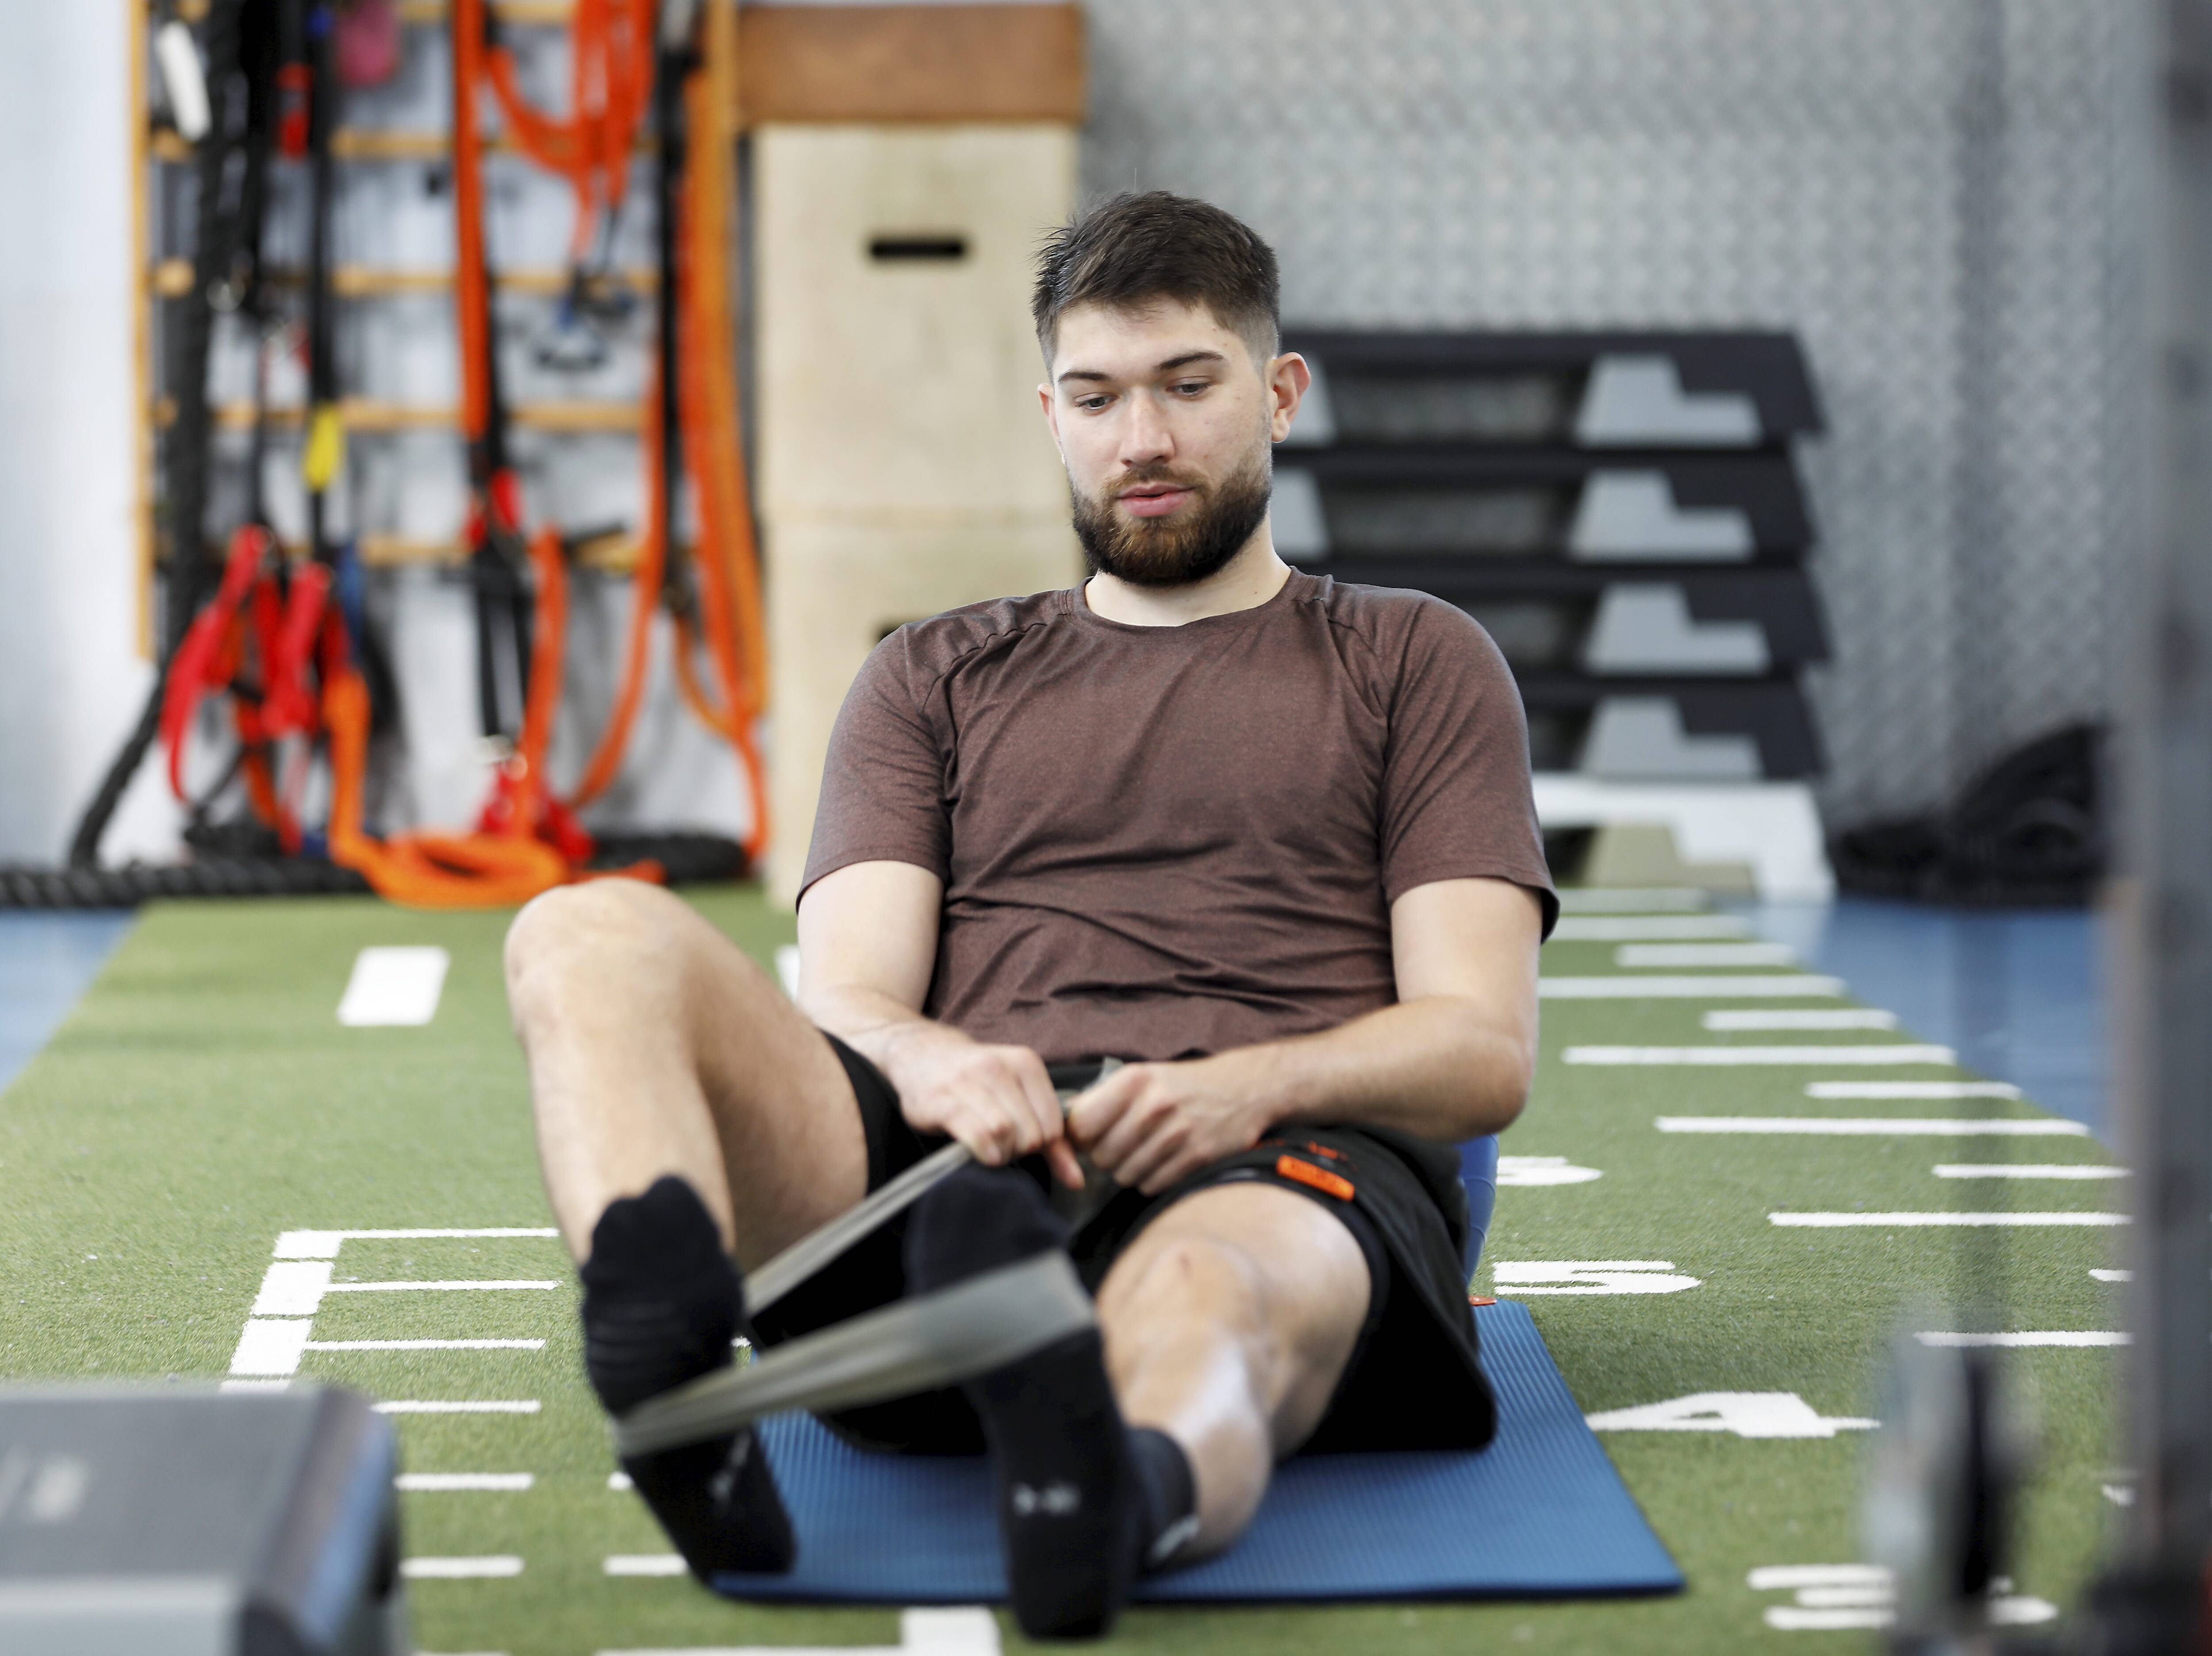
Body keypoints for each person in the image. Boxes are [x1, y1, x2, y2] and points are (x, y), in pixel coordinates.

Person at [505, 190, 1555, 1640]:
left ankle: (1103, 1490)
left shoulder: (1412, 658)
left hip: (1273, 1151)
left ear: (1279, 392)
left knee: (1203, 1285)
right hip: (960, 1174)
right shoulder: (932, 675)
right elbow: (854, 993)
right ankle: (673, 1371)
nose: (1144, 441)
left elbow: (1480, 1046)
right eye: (1098, 396)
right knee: (580, 933)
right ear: (1049, 414)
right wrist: (923, 1062)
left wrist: (1236, 1087)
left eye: (1189, 386)